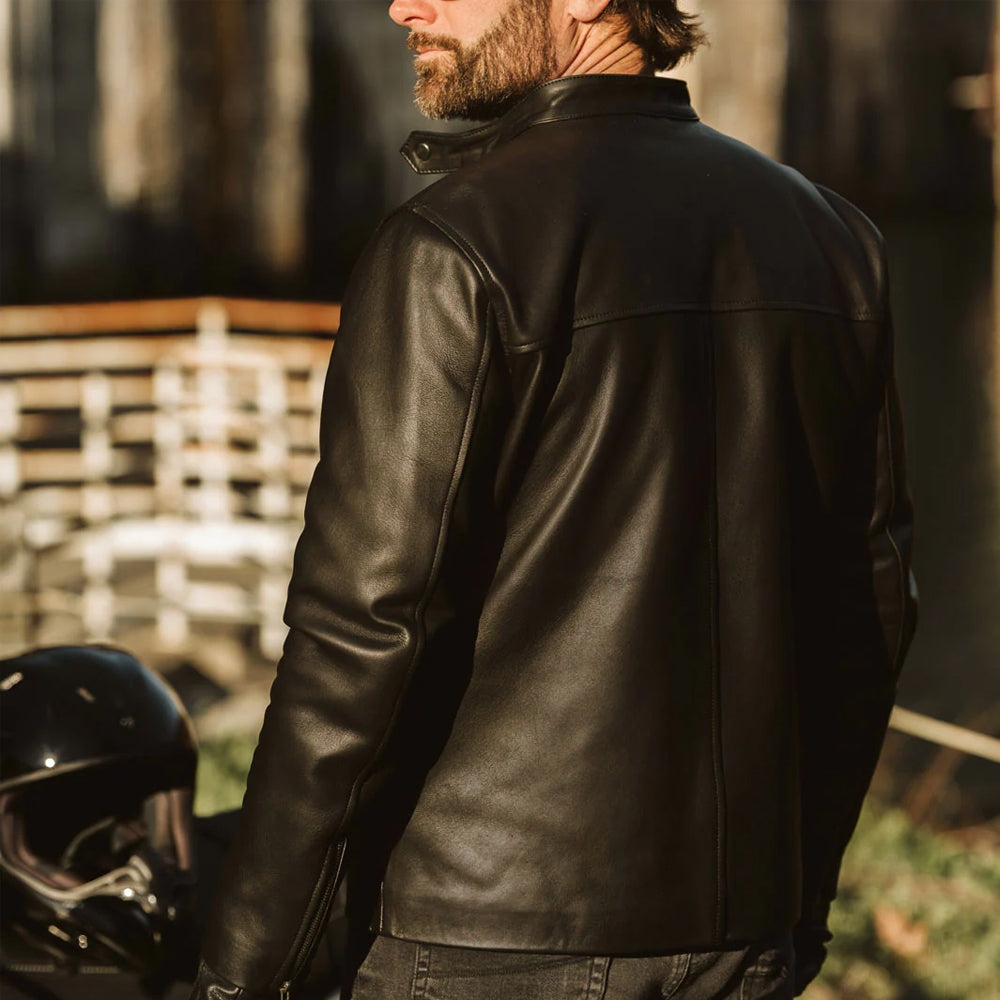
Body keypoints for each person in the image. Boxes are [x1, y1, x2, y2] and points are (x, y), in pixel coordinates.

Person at [189, 2, 918, 998]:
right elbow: (867, 611)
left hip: (482, 938)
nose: (405, 4)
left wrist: (250, 968)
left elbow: (368, 633)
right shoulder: (833, 241)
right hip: (743, 941)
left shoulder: (452, 245)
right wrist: (795, 901)